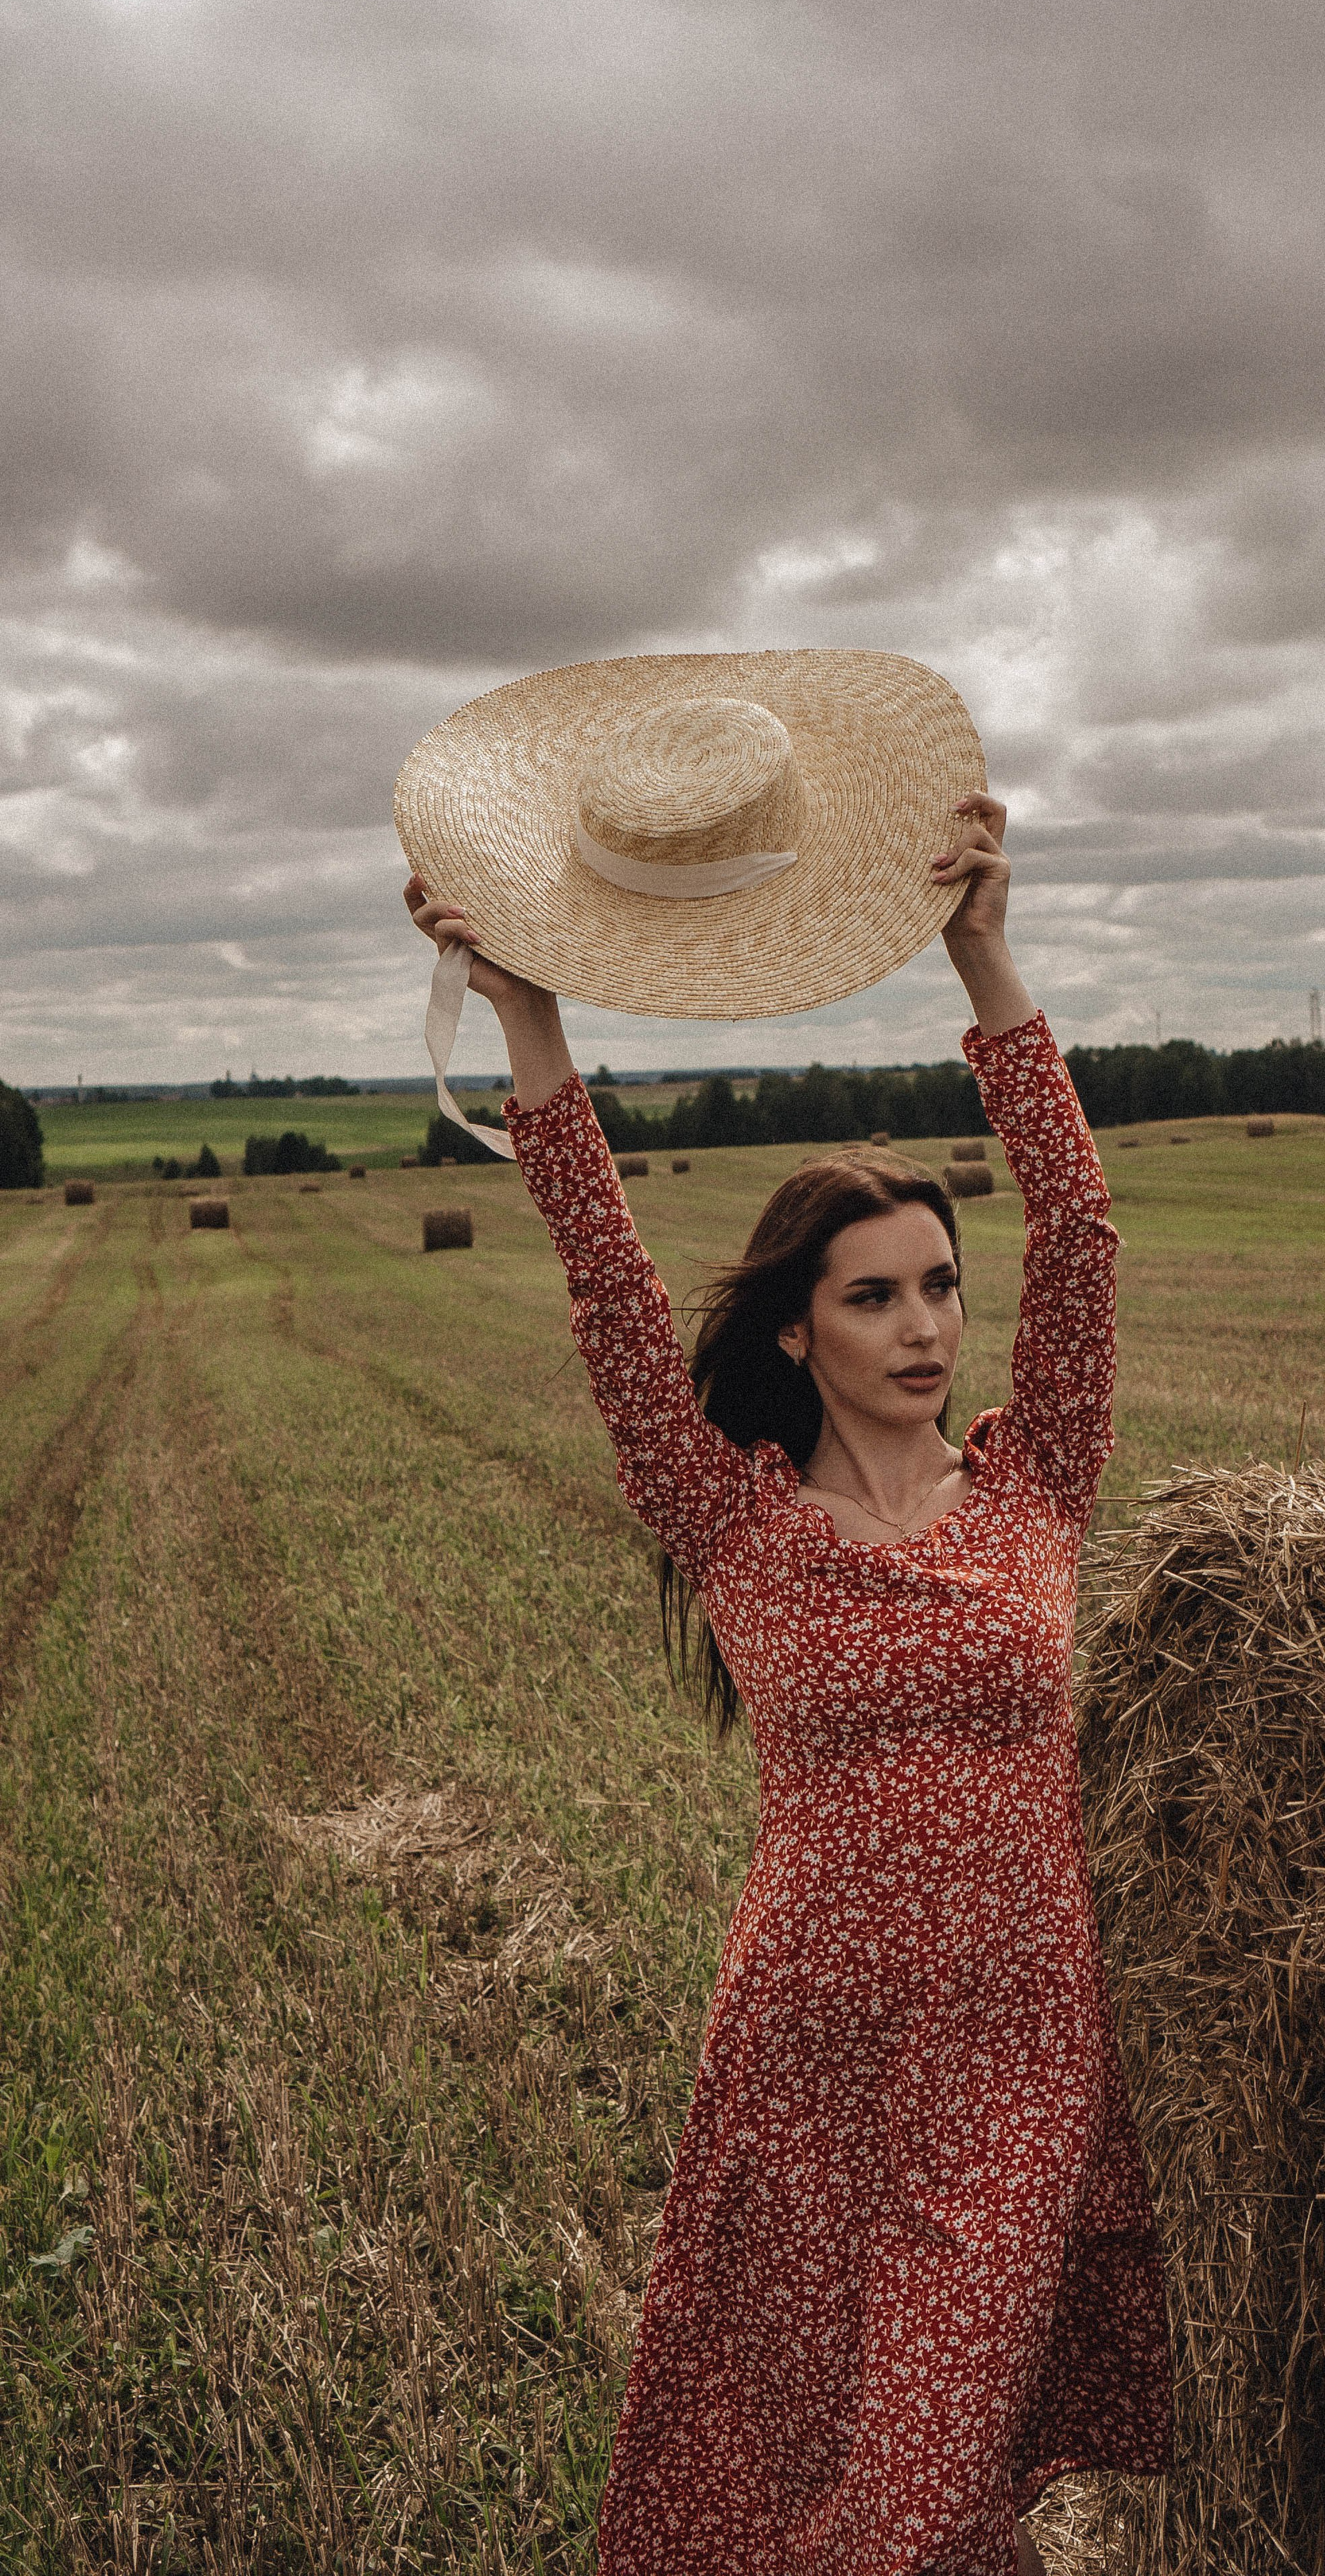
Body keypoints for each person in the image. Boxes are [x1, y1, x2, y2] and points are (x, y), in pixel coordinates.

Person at [403, 788, 1170, 2575]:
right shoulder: (734, 1522)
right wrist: (533, 1023)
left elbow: (1084, 1238)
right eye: (878, 1297)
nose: (925, 1328)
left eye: (940, 1291)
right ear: (795, 1330)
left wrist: (987, 959)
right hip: (812, 2051)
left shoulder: (1035, 1478)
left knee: (903, 2491)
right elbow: (603, 1283)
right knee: (817, 2465)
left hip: (1017, 2046)